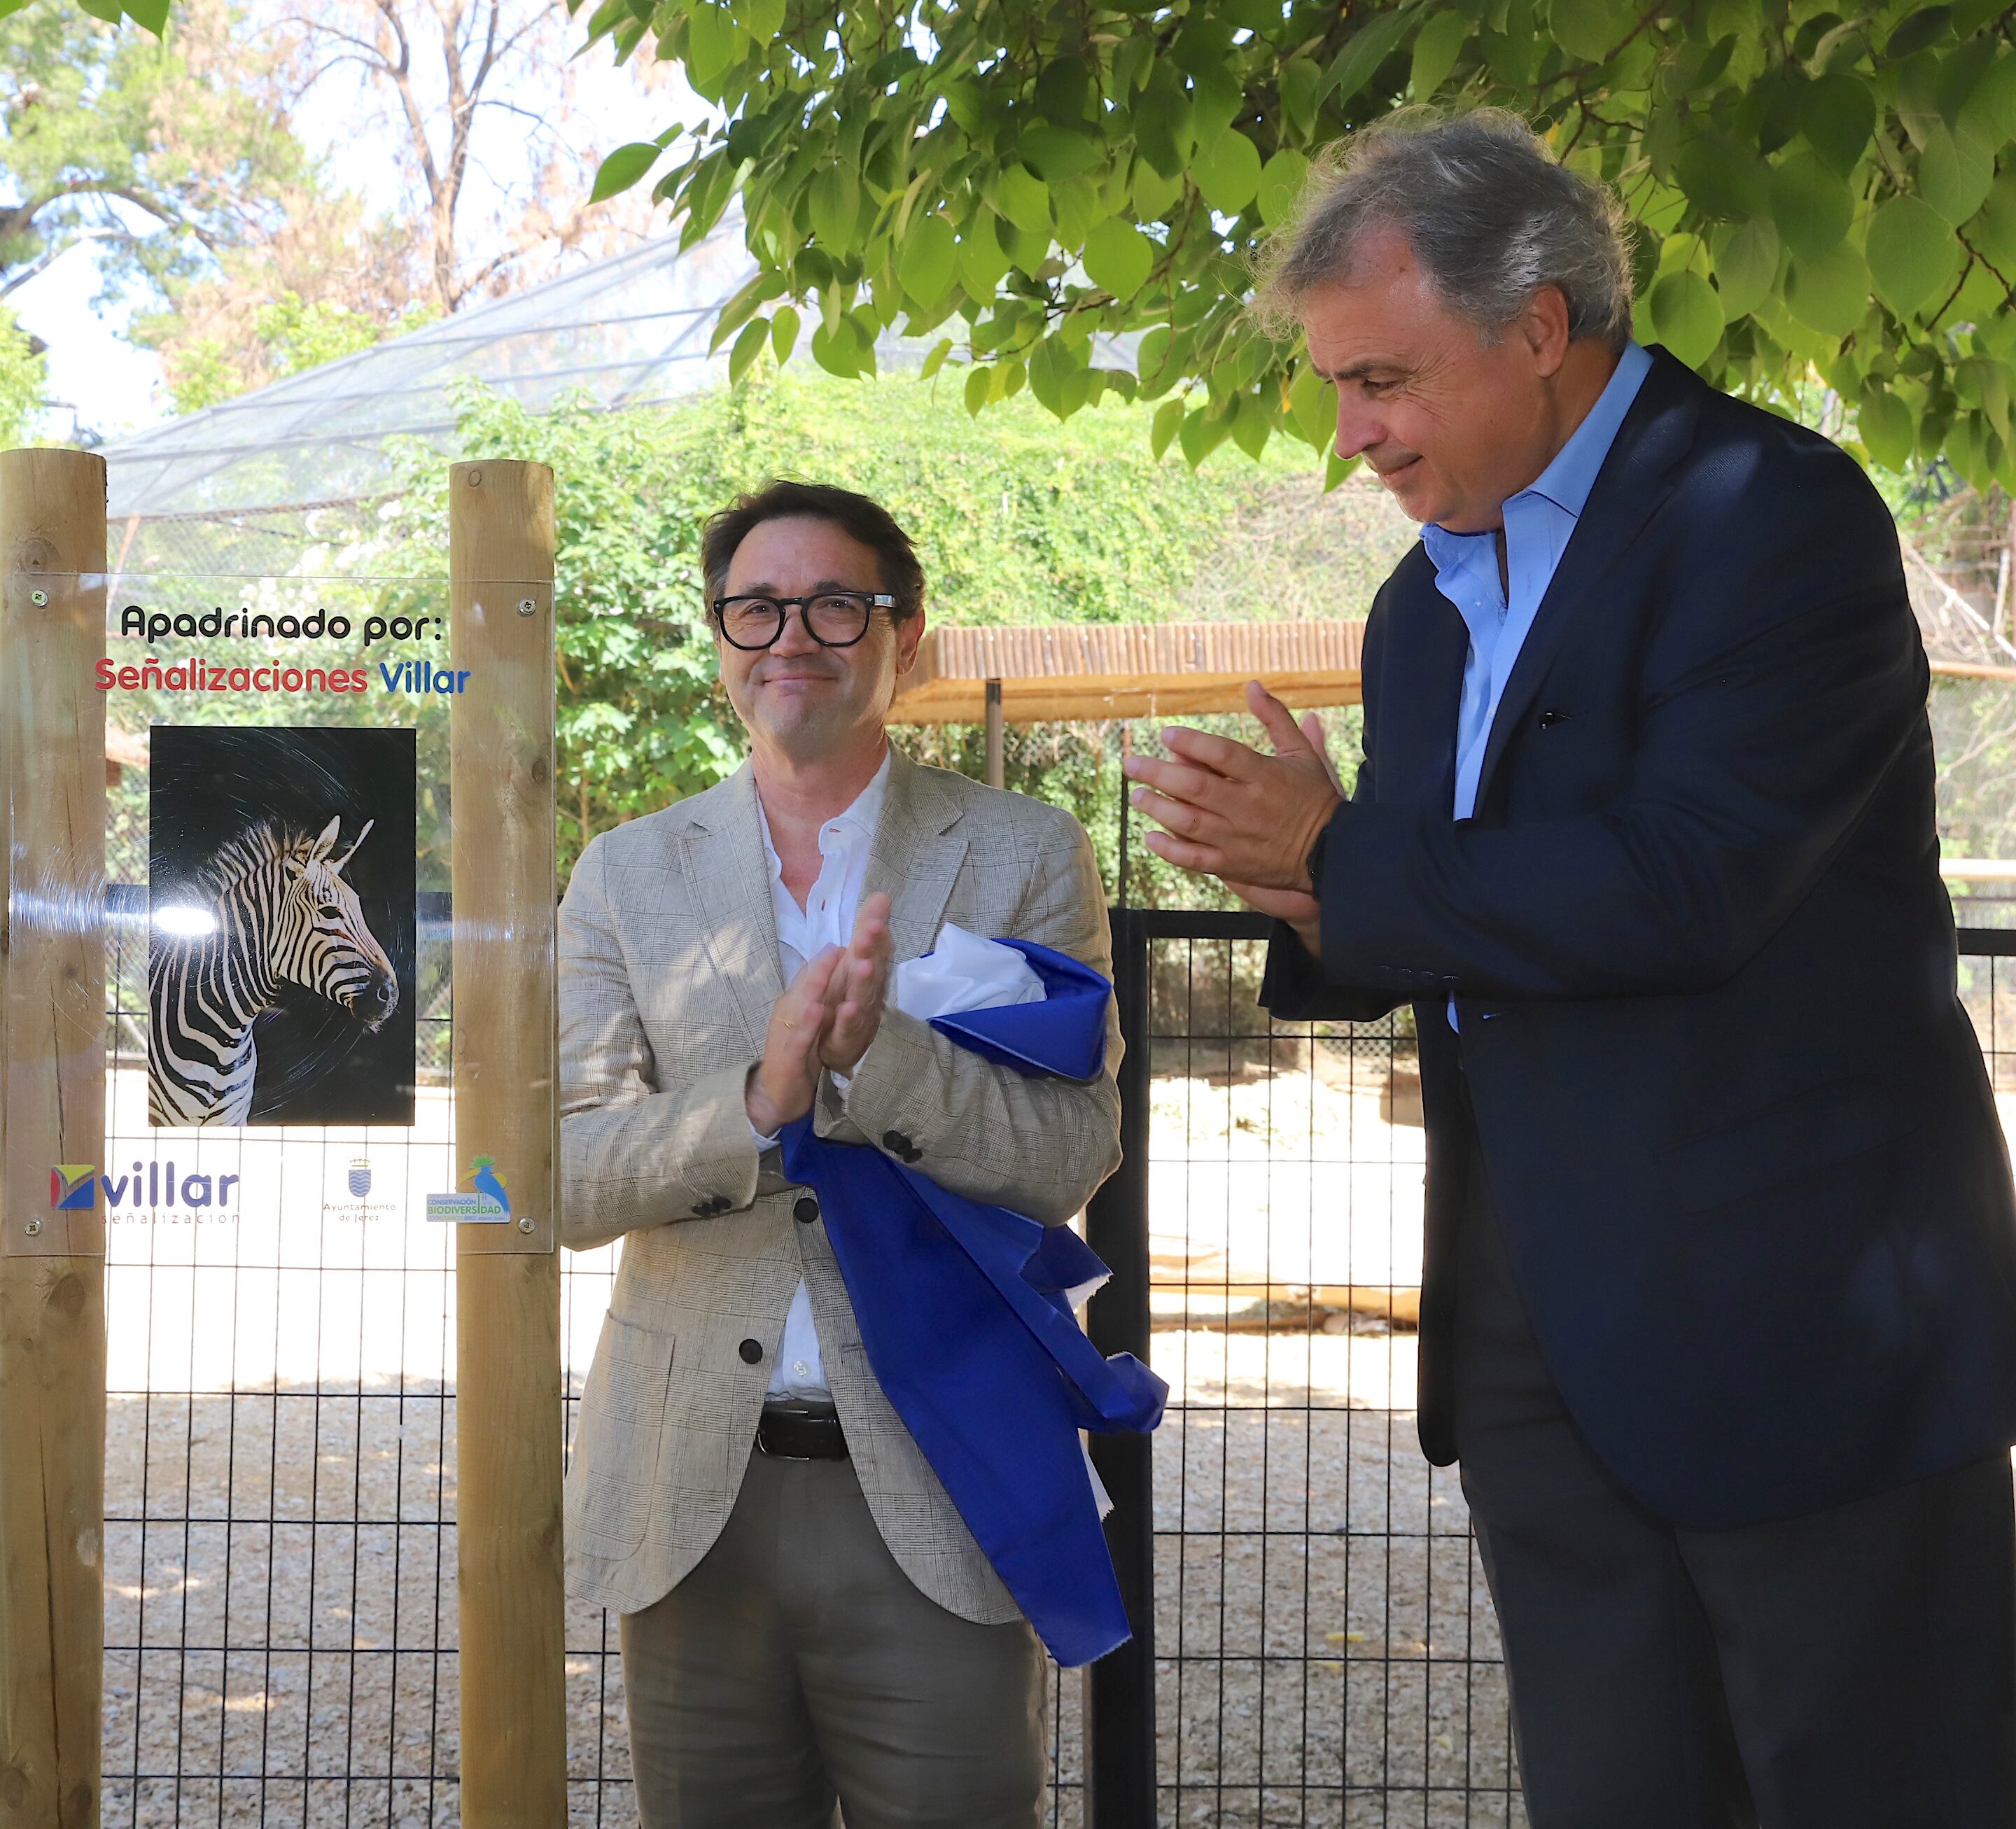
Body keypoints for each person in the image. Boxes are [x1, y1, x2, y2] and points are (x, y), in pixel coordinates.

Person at [1127, 108, 2016, 1823]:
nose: (1349, 434)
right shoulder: (1418, 605)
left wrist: (1341, 858)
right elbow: (1447, 903)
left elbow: (1691, 883)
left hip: (1799, 1330)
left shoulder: (1766, 510)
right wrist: (1302, 889)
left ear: (1538, 326)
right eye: (1334, 387)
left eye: (1381, 378)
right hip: (1535, 1337)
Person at [558, 480, 1121, 1828]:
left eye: (834, 605)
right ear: (719, 636)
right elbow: (567, 1176)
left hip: (938, 1474)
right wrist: (761, 1099)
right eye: (755, 607)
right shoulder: (627, 874)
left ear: (904, 635)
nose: (791, 637)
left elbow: (1070, 1153)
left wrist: (881, 1060)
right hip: (692, 1491)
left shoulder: (1023, 854)